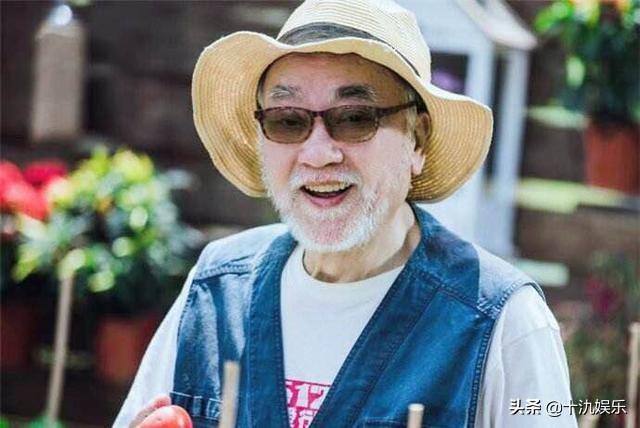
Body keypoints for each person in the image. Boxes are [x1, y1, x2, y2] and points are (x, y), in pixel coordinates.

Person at [115, 0, 577, 427]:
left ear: (417, 139)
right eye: (287, 120)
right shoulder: (215, 291)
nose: (318, 154)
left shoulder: (502, 321)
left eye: (355, 118)